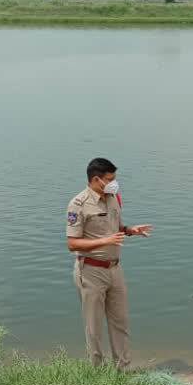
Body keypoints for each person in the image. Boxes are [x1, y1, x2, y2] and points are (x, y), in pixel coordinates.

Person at [66, 157, 152, 368]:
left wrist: (129, 230)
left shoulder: (113, 198)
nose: (114, 183)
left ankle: (123, 369)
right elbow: (72, 243)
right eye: (110, 179)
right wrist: (105, 241)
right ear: (97, 179)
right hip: (91, 271)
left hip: (115, 269)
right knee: (93, 327)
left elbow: (116, 227)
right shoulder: (78, 204)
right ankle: (96, 372)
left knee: (120, 323)